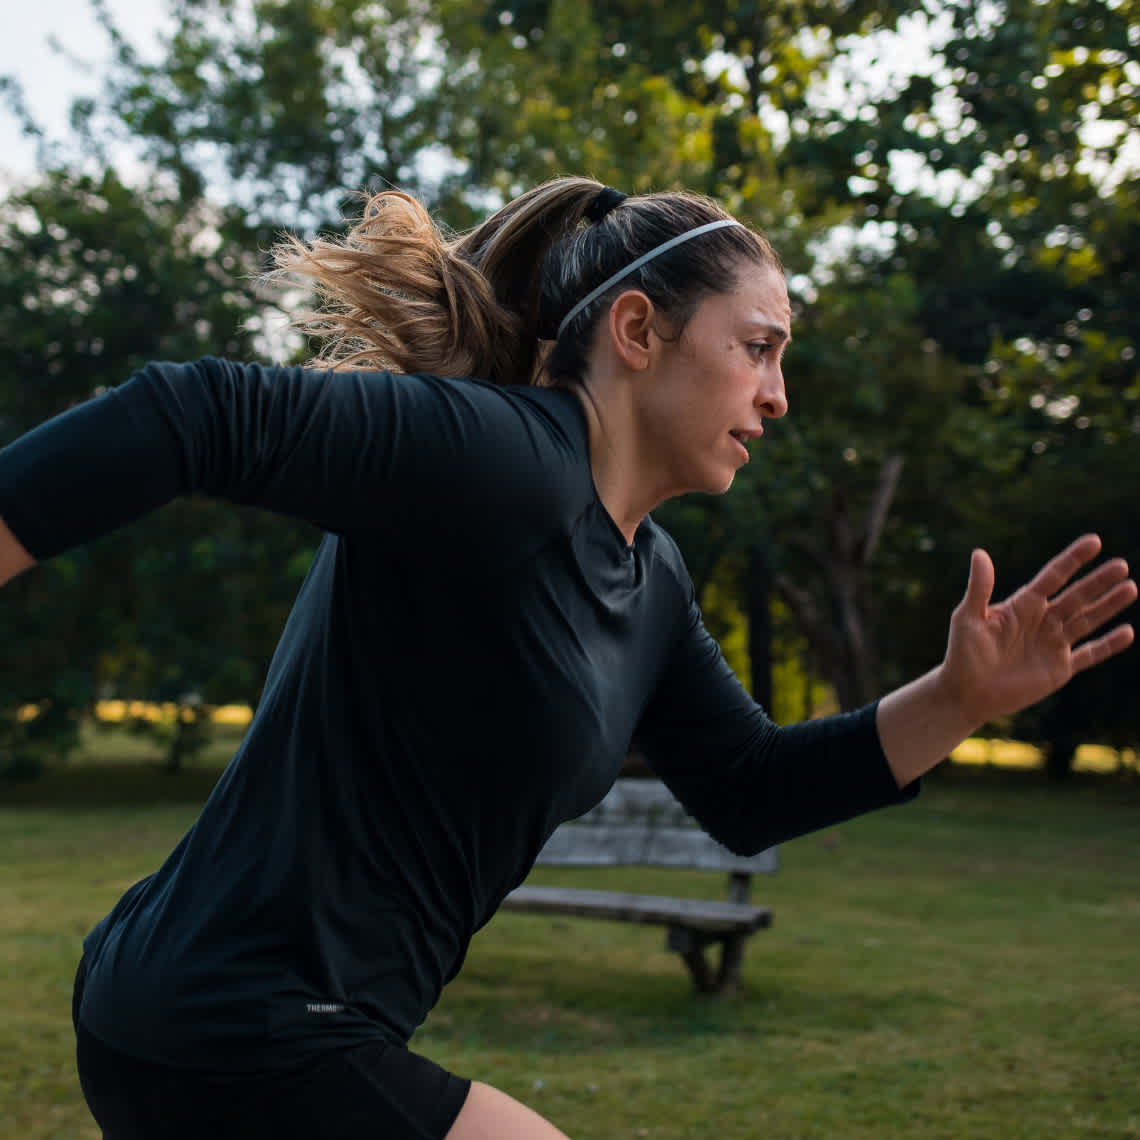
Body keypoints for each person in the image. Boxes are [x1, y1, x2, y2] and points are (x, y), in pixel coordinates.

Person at [0, 177, 1134, 1140]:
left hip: (217, 1015)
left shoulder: (649, 581)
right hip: (233, 1019)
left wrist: (961, 695)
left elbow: (747, 789)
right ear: (638, 333)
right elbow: (189, 413)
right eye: (758, 349)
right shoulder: (505, 458)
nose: (778, 395)